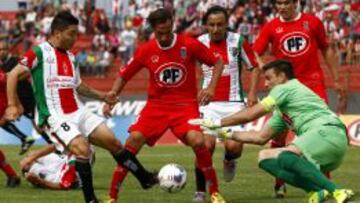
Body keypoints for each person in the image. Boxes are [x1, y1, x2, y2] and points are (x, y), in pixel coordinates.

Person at [5, 11, 157, 203]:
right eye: (71, 33)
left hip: (79, 111)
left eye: (77, 33)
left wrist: (103, 97)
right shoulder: (39, 52)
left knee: (114, 143)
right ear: (57, 32)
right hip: (54, 115)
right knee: (82, 149)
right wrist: (12, 104)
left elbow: (78, 86)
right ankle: (90, 200)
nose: (75, 38)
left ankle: (145, 178)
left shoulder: (71, 57)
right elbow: (12, 75)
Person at [104, 8, 226, 203]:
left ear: (173, 25)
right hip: (156, 107)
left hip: (185, 106)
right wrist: (113, 95)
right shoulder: (146, 49)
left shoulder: (189, 44)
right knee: (133, 140)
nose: (164, 36)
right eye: (159, 33)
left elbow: (217, 63)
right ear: (153, 30)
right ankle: (112, 197)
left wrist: (211, 88)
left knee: (198, 140)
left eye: (167, 31)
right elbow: (124, 75)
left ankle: (214, 193)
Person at [189, 59, 354, 203]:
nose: (265, 84)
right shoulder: (283, 110)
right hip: (328, 148)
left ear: (282, 77)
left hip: (327, 132)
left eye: (268, 78)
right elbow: (261, 137)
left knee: (287, 155)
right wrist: (224, 134)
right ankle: (316, 191)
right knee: (264, 158)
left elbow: (253, 113)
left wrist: (218, 122)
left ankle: (337, 191)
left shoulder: (287, 87)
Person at [252, 0, 346, 197]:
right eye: (278, 3)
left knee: (319, 132)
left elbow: (326, 48)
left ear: (295, 3)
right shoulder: (271, 27)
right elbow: (254, 51)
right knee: (278, 134)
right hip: (284, 87)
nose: (282, 7)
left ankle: (325, 184)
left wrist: (336, 78)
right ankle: (280, 184)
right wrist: (262, 67)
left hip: (312, 85)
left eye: (286, 2)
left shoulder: (312, 22)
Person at [193, 5, 260, 202]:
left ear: (226, 24)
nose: (215, 29)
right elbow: (193, 70)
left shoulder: (238, 41)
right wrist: (196, 93)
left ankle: (229, 160)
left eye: (220, 24)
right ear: (206, 25)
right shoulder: (199, 43)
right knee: (205, 145)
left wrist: (253, 92)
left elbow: (254, 68)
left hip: (234, 103)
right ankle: (200, 191)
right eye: (211, 25)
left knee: (234, 146)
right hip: (208, 104)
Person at [0, 40, 37, 155]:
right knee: (2, 120)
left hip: (26, 97)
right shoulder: (1, 66)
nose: (0, 52)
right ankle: (24, 138)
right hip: (14, 99)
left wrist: (12, 78)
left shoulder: (16, 61)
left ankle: (56, 145)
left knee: (39, 126)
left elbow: (28, 72)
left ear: (8, 50)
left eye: (2, 50)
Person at [20, 144, 94, 190]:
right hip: (64, 161)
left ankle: (36, 181)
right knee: (31, 154)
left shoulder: (74, 167)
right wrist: (31, 158)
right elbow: (54, 146)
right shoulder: (83, 143)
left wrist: (38, 180)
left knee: (26, 166)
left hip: (58, 176)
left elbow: (62, 186)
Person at [0, 67, 21, 188]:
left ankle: (12, 175)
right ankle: (12, 175)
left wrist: (16, 106)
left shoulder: (3, 74)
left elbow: (10, 89)